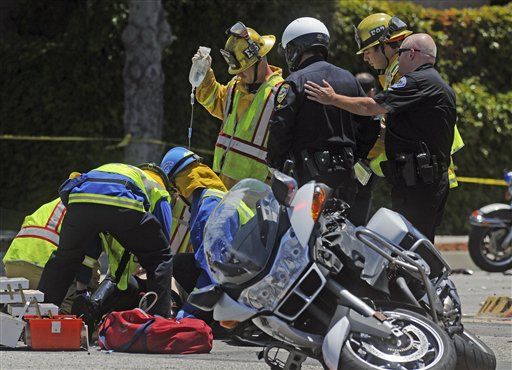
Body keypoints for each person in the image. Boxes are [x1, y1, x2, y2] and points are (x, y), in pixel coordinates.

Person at [304, 33, 456, 241]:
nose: (397, 58)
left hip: (419, 183)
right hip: (423, 179)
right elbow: (410, 131)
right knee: (416, 242)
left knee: (412, 244)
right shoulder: (433, 83)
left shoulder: (417, 81)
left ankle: (427, 275)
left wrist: (332, 98)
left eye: (400, 53)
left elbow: (371, 106)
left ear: (412, 54)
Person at [267, 17, 379, 213]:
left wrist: (276, 165)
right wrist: (356, 155)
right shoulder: (349, 79)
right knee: (338, 235)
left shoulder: (296, 81)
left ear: (296, 48)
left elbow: (280, 127)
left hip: (308, 178)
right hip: (345, 175)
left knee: (304, 237)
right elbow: (371, 123)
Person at [37, 162, 174, 317]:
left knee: (65, 259)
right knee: (160, 257)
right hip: (120, 202)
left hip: (79, 199)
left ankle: (40, 317)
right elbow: (163, 236)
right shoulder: (159, 189)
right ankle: (159, 321)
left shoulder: (120, 170)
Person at [160, 147, 252, 321]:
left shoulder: (209, 207)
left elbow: (216, 268)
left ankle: (218, 319)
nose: (177, 196)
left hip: (241, 285)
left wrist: (189, 311)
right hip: (246, 274)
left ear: (181, 184)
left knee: (181, 266)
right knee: (180, 263)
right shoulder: (215, 196)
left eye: (175, 189)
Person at [193, 21, 283, 189]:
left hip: (256, 193)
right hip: (224, 186)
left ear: (260, 59)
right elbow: (214, 101)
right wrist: (204, 74)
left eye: (245, 68)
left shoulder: (280, 95)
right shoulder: (237, 86)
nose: (239, 73)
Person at [3, 197, 102, 313]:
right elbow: (88, 258)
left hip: (13, 263)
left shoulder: (51, 205)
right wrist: (94, 284)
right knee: (75, 302)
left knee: (28, 306)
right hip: (43, 266)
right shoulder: (87, 208)